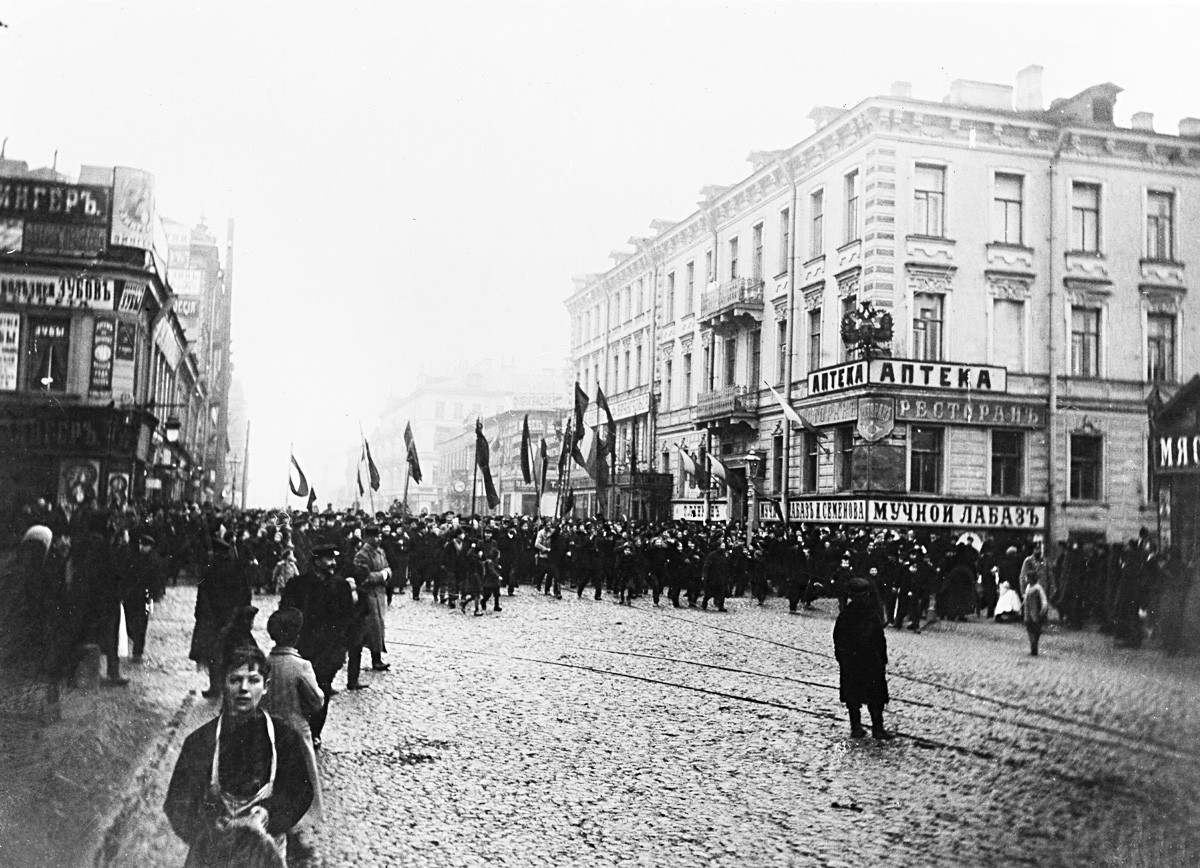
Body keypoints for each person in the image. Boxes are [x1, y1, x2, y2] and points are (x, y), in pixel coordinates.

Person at [164, 644, 314, 868]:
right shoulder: (201, 741)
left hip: (265, 855)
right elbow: (177, 802)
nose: (244, 688)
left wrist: (268, 814)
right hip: (213, 856)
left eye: (253, 680)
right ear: (224, 684)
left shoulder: (284, 738)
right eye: (235, 679)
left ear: (266, 687)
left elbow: (300, 792)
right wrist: (211, 826)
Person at [260, 608, 324, 855]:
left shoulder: (264, 663)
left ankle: (276, 826)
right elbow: (316, 701)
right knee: (299, 780)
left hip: (268, 729)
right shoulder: (301, 666)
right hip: (296, 730)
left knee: (274, 780)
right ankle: (296, 834)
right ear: (297, 636)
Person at [280, 543, 356, 743]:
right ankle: (297, 729)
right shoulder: (297, 585)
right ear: (316, 561)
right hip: (301, 649)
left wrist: (341, 651)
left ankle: (314, 733)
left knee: (321, 691)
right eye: (328, 559)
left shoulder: (341, 586)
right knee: (298, 691)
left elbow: (348, 620)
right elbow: (285, 615)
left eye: (334, 558)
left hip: (329, 651)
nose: (333, 563)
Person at [833, 576, 893, 740]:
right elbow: (880, 640)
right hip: (871, 662)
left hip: (852, 663)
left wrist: (843, 659)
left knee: (853, 697)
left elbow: (838, 640)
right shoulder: (871, 615)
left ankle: (856, 728)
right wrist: (882, 659)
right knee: (875, 697)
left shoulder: (845, 615)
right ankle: (878, 729)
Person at [191, 538, 252, 698]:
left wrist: (199, 615)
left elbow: (202, 594)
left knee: (213, 653)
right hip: (232, 617)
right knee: (231, 652)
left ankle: (215, 687)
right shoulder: (236, 568)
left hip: (213, 617)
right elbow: (245, 594)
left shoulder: (210, 569)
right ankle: (228, 686)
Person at [349, 526, 391, 685]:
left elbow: (388, 567)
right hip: (369, 595)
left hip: (380, 594)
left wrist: (386, 573)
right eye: (375, 536)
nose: (378, 539)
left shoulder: (381, 551)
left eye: (379, 536)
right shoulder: (362, 554)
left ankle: (378, 656)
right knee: (372, 627)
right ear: (367, 538)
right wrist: (381, 575)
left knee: (379, 626)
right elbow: (362, 577)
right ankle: (375, 658)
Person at [1022, 569, 1049, 656]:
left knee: (1036, 631)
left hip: (1036, 613)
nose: (1026, 579)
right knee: (1030, 629)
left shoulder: (1038, 588)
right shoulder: (1028, 587)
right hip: (1028, 613)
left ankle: (1034, 647)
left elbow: (1044, 600)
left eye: (1028, 578)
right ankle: (1033, 647)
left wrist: (1043, 610)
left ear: (1031, 578)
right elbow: (1025, 599)